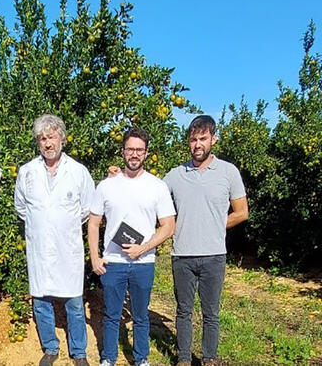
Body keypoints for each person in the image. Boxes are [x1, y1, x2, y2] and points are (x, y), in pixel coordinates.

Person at [164, 115, 248, 366]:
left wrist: (215, 224)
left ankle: (210, 358)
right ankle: (185, 359)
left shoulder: (228, 172)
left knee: (211, 313)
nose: (197, 144)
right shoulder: (175, 175)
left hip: (214, 255)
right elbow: (150, 195)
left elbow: (242, 212)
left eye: (202, 139)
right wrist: (120, 174)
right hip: (182, 256)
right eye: (193, 140)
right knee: (184, 311)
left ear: (213, 139)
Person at [88, 128, 176, 366]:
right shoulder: (107, 185)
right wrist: (95, 257)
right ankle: (108, 358)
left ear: (146, 153)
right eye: (130, 149)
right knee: (111, 315)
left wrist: (144, 248)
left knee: (140, 315)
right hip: (113, 262)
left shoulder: (157, 186)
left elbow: (169, 226)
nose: (134, 154)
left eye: (139, 150)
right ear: (123, 151)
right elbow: (94, 223)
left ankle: (141, 359)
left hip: (143, 262)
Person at [14, 114, 95, 366]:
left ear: (62, 137)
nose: (47, 143)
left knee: (74, 302)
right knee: (41, 301)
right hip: (39, 249)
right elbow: (21, 207)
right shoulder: (27, 171)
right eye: (42, 138)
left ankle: (79, 351)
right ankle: (50, 347)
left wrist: (60, 224)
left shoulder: (79, 172)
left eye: (51, 136)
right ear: (38, 143)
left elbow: (87, 209)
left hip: (67, 249)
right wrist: (44, 224)